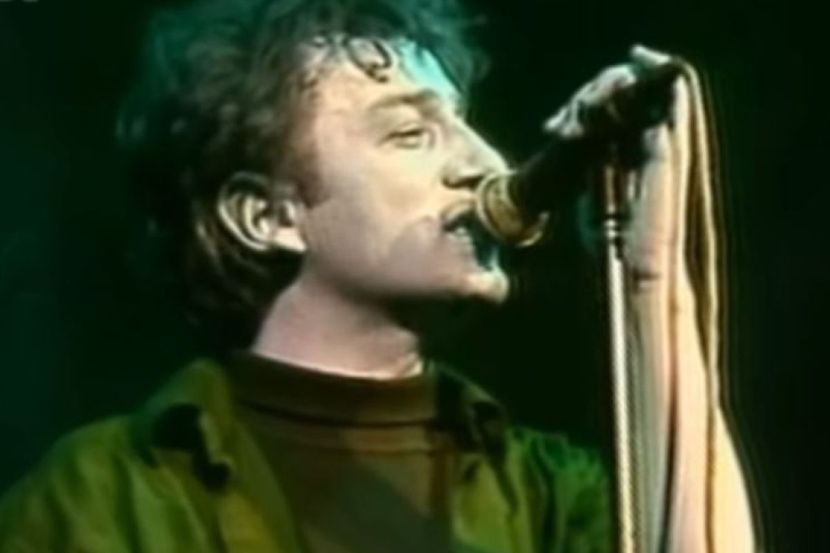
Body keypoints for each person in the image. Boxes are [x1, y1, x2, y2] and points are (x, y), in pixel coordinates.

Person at [0, 0, 756, 551]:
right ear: (266, 216)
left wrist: (651, 280)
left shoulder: (545, 492)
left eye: (463, 122)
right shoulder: (99, 497)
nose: (484, 162)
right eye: (410, 133)